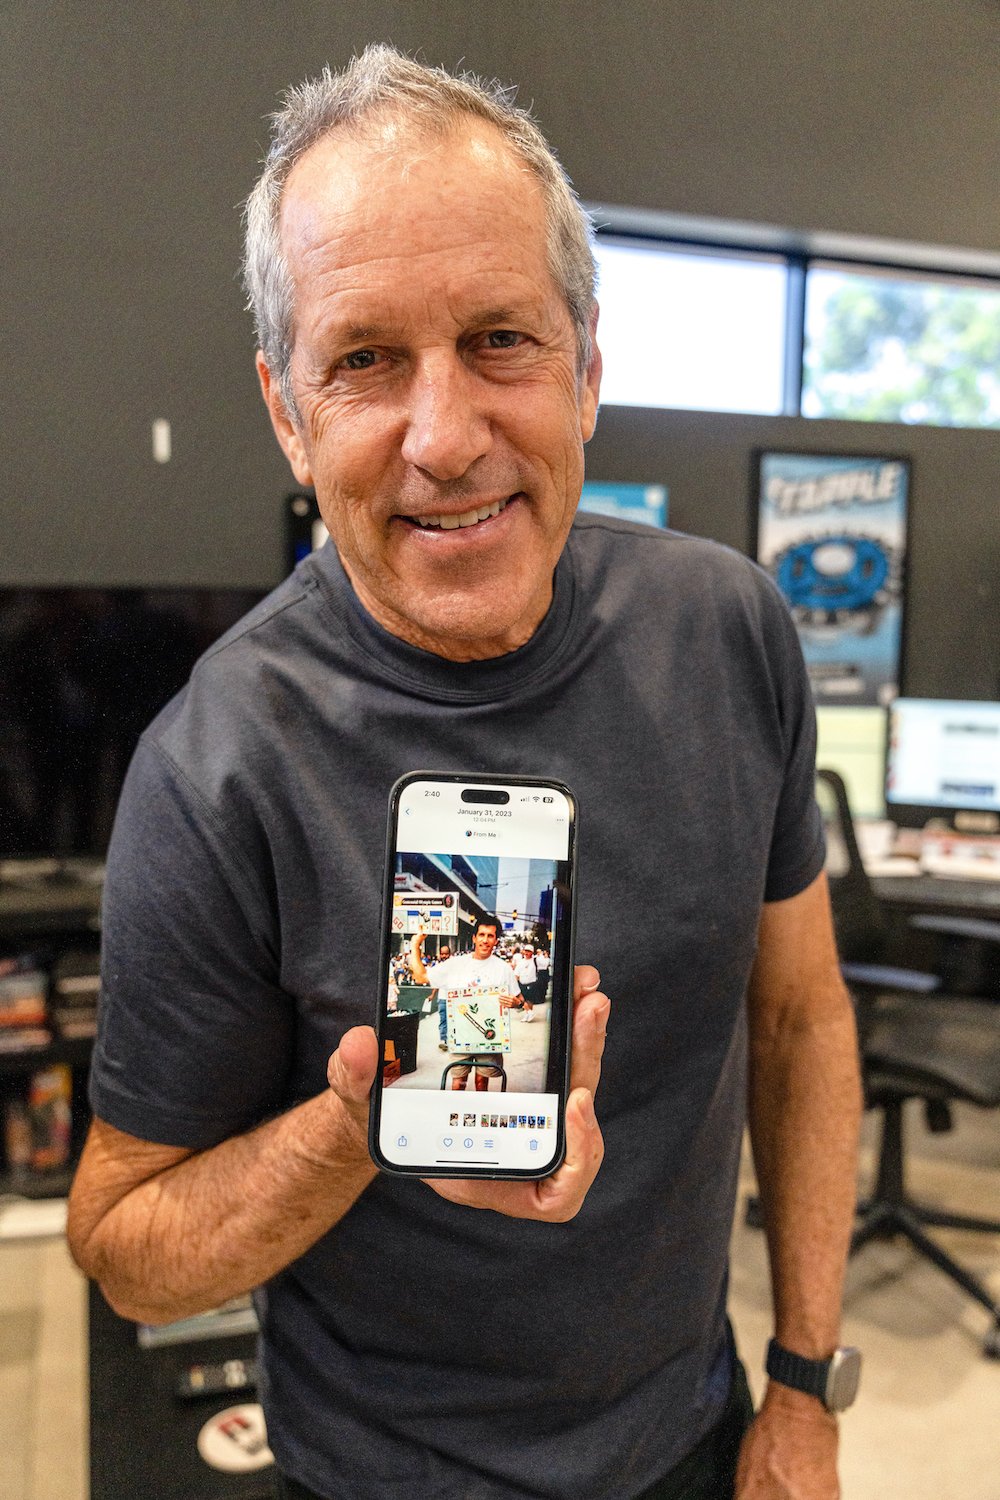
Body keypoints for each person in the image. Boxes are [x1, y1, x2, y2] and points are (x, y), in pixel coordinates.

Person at [66, 44, 861, 1500]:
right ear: (286, 412)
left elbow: (801, 1019)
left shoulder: (730, 631)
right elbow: (124, 1249)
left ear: (590, 366)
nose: (444, 437)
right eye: (365, 360)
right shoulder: (216, 763)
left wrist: (806, 1383)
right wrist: (363, 1124)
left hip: (697, 1436)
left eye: (502, 338)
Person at [410, 920, 521, 1088]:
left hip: (489, 1036)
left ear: (496, 940)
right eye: (482, 935)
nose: (485, 940)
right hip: (460, 1035)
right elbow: (420, 977)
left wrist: (515, 1003)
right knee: (458, 1082)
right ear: (474, 938)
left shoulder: (503, 968)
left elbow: (519, 999)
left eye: (490, 936)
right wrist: (415, 944)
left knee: (482, 1081)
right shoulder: (456, 963)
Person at [512, 943, 539, 1019]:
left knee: (530, 1000)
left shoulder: (535, 960)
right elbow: (516, 973)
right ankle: (529, 1013)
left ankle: (529, 1014)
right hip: (522, 983)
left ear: (532, 952)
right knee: (522, 1000)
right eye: (525, 951)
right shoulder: (521, 962)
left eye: (529, 951)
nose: (526, 953)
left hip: (532, 983)